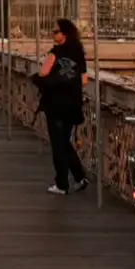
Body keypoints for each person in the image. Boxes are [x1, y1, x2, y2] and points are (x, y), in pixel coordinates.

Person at [34, 18, 90, 194]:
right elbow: (84, 80)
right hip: (73, 104)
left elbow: (43, 73)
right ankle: (80, 177)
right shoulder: (78, 52)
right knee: (64, 141)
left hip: (56, 104)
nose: (53, 34)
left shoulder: (55, 52)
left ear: (64, 34)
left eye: (55, 31)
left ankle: (62, 184)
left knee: (58, 144)